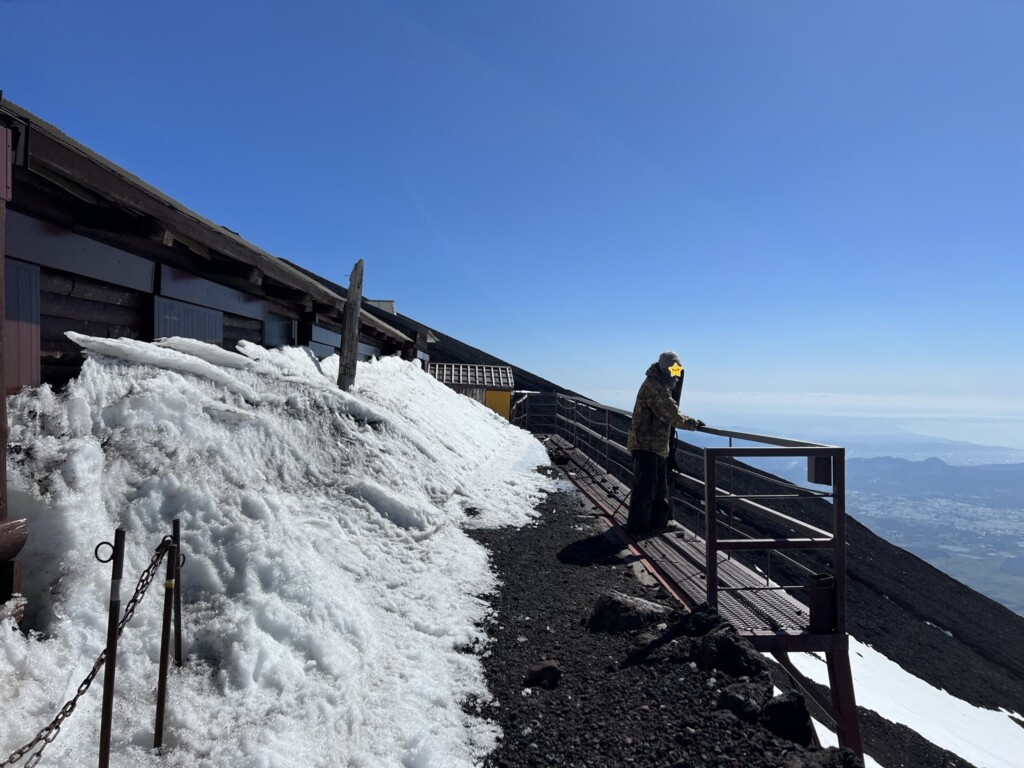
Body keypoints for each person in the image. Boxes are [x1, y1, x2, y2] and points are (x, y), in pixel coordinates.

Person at [625, 351, 704, 536]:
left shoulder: (660, 384)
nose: (677, 373)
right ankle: (637, 529)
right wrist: (693, 424)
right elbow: (669, 413)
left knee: (659, 488)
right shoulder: (654, 386)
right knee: (646, 489)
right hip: (646, 445)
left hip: (656, 447)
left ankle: (658, 524)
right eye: (674, 369)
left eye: (678, 369)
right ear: (665, 368)